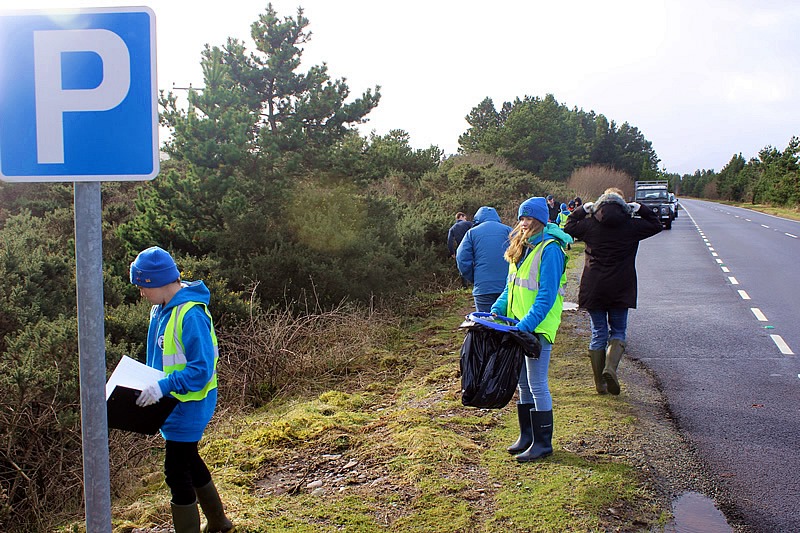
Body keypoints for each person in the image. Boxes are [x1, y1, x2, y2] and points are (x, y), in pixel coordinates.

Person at [130, 246, 235, 533]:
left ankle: (205, 525)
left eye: (142, 286)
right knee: (189, 460)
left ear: (158, 281)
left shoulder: (192, 315)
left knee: (176, 473)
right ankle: (219, 522)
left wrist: (163, 385)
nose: (141, 293)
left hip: (191, 402)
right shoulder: (159, 310)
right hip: (171, 402)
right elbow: (158, 357)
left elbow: (201, 370)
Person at [491, 197, 573, 463]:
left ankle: (543, 443)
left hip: (538, 327)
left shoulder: (550, 249)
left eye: (528, 218)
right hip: (519, 325)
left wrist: (525, 326)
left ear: (540, 219)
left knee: (537, 384)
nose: (523, 223)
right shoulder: (522, 246)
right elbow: (510, 287)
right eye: (521, 218)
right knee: (523, 383)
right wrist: (496, 310)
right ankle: (527, 436)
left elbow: (547, 296)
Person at [564, 188, 661, 396]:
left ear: (600, 202)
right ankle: (610, 368)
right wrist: (641, 208)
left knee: (598, 332)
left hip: (594, 286)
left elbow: (569, 227)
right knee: (618, 331)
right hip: (621, 285)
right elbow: (656, 224)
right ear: (623, 204)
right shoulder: (632, 225)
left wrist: (583, 209)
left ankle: (600, 383)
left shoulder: (590, 224)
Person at [456, 206, 512, 312]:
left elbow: (461, 258)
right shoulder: (509, 230)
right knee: (507, 324)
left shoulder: (471, 233)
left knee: (485, 324)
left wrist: (474, 277)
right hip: (507, 286)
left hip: (483, 288)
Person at [447, 212, 473, 288]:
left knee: (462, 266)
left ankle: (464, 286)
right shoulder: (468, 224)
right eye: (465, 218)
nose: (465, 219)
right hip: (471, 247)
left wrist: (452, 252)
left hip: (460, 249)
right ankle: (475, 283)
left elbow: (449, 242)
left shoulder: (452, 228)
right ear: (461, 216)